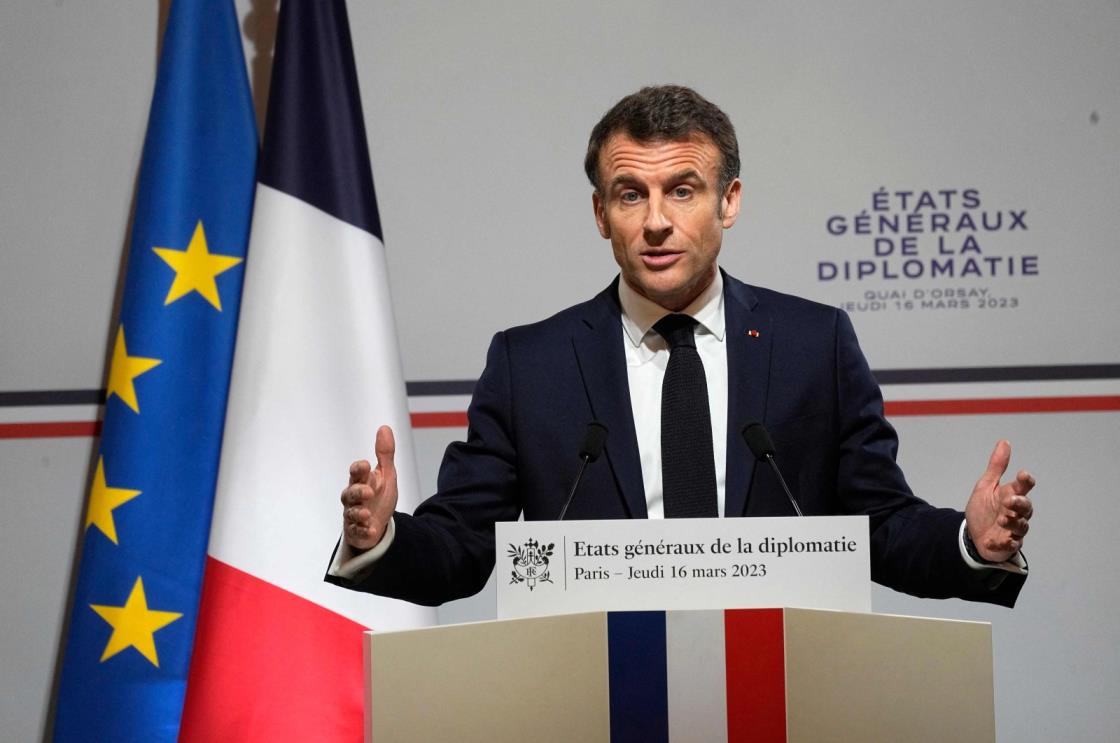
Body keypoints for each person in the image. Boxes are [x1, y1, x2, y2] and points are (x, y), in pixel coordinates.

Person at [326, 85, 1034, 607]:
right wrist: (383, 535)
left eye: (683, 190)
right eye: (630, 194)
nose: (657, 221)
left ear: (729, 201)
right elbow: (461, 548)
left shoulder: (813, 346)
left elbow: (881, 525)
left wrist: (970, 544)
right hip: (593, 691)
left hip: (783, 686)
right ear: (601, 215)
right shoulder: (528, 365)